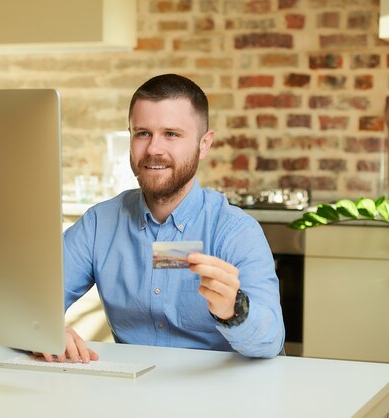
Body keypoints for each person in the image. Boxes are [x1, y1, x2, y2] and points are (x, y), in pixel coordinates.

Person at [39, 73, 285, 363]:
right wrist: (45, 330)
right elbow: (32, 302)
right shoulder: (98, 224)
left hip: (218, 396)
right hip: (131, 393)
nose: (154, 149)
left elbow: (270, 341)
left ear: (204, 144)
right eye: (143, 133)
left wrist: (234, 309)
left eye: (171, 134)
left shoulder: (235, 231)